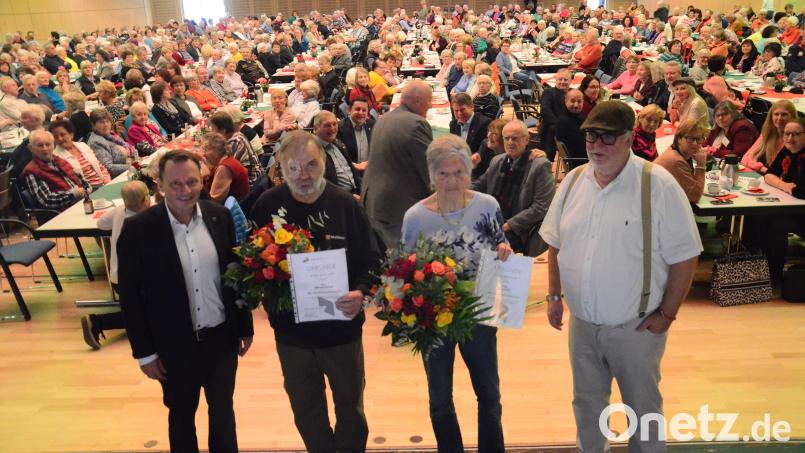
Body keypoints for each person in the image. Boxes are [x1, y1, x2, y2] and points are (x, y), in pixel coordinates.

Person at [539, 101, 702, 453]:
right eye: (591, 137)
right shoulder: (573, 181)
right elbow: (555, 242)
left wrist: (666, 314)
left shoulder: (657, 185)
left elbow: (686, 255)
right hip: (582, 325)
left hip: (637, 327)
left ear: (629, 138)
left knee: (642, 411)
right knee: (586, 406)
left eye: (608, 138)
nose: (597, 146)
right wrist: (554, 296)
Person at [248, 131, 381, 453]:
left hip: (342, 330)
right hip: (292, 334)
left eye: (311, 165)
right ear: (280, 167)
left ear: (324, 162)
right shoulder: (267, 205)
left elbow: (372, 261)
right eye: (294, 168)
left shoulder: (345, 204)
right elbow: (249, 265)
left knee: (351, 407)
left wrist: (361, 293)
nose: (303, 175)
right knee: (306, 408)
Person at [118, 150, 254, 453]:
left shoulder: (218, 216)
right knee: (181, 417)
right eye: (175, 184)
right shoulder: (139, 229)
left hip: (220, 340)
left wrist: (244, 326)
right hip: (172, 347)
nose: (185, 190)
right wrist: (144, 353)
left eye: (192, 182)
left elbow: (234, 277)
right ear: (160, 185)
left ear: (201, 181)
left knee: (223, 413)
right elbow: (129, 296)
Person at [400, 134, 512, 453]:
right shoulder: (416, 217)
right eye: (443, 174)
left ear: (469, 171)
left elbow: (499, 246)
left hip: (479, 314)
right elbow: (404, 271)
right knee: (439, 400)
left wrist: (505, 249)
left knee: (489, 397)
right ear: (431, 175)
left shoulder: (487, 206)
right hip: (434, 320)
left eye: (459, 172)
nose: (451, 181)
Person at [361, 80, 433, 248]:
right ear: (417, 99)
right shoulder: (417, 124)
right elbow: (429, 171)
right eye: (429, 101)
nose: (429, 107)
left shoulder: (384, 118)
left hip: (374, 201)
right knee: (404, 262)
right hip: (398, 209)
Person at [81, 181, 151, 349]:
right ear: (145, 200)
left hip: (116, 278)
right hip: (135, 280)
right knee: (149, 314)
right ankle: (97, 322)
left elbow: (101, 224)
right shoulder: (147, 220)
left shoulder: (119, 211)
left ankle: (97, 322)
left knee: (139, 311)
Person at [472, 120, 555, 255]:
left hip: (520, 229)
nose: (510, 142)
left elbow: (541, 207)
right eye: (506, 138)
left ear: (527, 140)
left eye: (515, 138)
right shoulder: (498, 160)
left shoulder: (539, 165)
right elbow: (479, 185)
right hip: (495, 221)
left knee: (481, 246)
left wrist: (508, 225)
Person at [758, 118, 805, 281]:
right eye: (787, 134)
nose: (790, 138)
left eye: (796, 134)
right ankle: (757, 267)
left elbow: (800, 191)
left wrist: (784, 186)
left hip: (801, 213)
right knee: (760, 217)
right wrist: (783, 185)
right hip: (793, 207)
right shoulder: (787, 150)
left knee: (773, 224)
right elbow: (769, 174)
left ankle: (774, 275)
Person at [21, 130, 90, 211]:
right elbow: (46, 200)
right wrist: (74, 194)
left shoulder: (60, 160)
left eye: (48, 144)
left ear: (53, 146)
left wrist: (86, 189)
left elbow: (82, 181)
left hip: (81, 204)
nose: (45, 148)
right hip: (63, 213)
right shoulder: (32, 171)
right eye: (40, 145)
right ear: (31, 148)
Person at [655, 119, 709, 203]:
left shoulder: (674, 150)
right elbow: (695, 197)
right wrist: (701, 164)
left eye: (699, 139)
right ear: (679, 139)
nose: (695, 143)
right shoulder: (677, 161)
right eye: (690, 138)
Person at [50, 119, 111, 189]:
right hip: (87, 192)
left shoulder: (83, 145)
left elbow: (100, 167)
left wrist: (108, 183)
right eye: (55, 137)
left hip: (103, 184)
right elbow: (70, 184)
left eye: (62, 134)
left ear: (71, 134)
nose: (59, 139)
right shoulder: (55, 156)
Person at [209, 110, 263, 185]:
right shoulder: (237, 135)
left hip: (251, 183)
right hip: (253, 179)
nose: (212, 132)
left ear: (223, 131)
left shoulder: (235, 142)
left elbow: (228, 169)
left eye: (213, 129)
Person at [742, 99, 796, 172]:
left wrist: (759, 168)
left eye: (784, 114)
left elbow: (781, 173)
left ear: (792, 117)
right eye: (776, 114)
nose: (779, 118)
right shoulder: (766, 134)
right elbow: (744, 159)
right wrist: (760, 168)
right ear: (771, 117)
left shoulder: (794, 141)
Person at [314, 111, 360, 195]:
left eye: (334, 124)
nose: (332, 128)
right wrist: (348, 198)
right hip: (338, 200)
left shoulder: (338, 144)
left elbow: (352, 172)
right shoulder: (313, 151)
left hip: (355, 193)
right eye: (327, 125)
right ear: (316, 129)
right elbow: (321, 186)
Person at [202, 132, 250, 202]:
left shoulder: (224, 168)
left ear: (217, 150)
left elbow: (214, 199)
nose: (204, 154)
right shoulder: (228, 160)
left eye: (206, 149)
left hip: (234, 209)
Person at [86, 109, 134, 178]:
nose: (105, 125)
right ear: (93, 125)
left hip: (129, 171)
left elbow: (131, 149)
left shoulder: (111, 135)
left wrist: (138, 161)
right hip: (118, 178)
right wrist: (132, 166)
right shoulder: (96, 142)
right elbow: (109, 168)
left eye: (107, 121)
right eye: (101, 122)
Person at [540, 68, 571, 160]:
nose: (562, 82)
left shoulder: (572, 93)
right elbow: (545, 111)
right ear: (556, 80)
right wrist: (560, 124)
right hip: (552, 130)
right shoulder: (549, 92)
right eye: (560, 79)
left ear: (570, 81)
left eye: (565, 80)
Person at [337, 97, 375, 172]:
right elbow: (339, 157)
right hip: (350, 171)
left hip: (370, 170)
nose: (361, 113)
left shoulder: (373, 125)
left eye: (364, 110)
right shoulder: (339, 129)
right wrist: (355, 166)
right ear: (349, 110)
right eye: (357, 109)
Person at [555, 89, 587, 168]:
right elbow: (584, 144)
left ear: (583, 102)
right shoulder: (564, 122)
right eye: (572, 101)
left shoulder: (579, 117)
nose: (576, 105)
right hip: (580, 163)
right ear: (566, 102)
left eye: (579, 101)